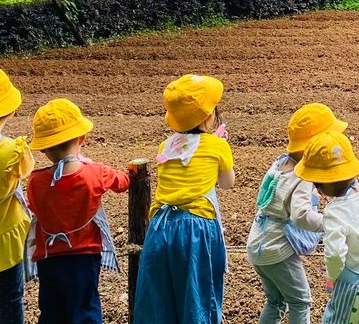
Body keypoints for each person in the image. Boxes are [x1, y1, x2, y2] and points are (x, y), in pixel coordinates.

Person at [134, 75, 235, 324]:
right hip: (196, 227)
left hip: (159, 226)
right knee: (198, 298)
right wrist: (219, 151)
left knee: (158, 302)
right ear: (209, 116)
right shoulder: (217, 146)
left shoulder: (165, 146)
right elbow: (227, 183)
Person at [25, 99, 130, 324]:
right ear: (82, 138)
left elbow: (33, 206)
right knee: (84, 308)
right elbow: (123, 183)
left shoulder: (35, 180)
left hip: (48, 257)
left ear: (43, 148)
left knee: (52, 311)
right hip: (84, 255)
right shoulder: (96, 172)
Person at [247, 103, 346, 324]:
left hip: (258, 244)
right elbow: (300, 216)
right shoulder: (302, 175)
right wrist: (332, 222)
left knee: (275, 301)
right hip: (276, 250)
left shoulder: (280, 163)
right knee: (301, 302)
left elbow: (281, 198)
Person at [294, 131, 359, 324]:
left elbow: (335, 254)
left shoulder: (335, 212)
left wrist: (334, 277)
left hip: (356, 288)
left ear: (323, 184)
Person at [0, 71, 33, 324]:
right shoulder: (12, 151)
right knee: (11, 300)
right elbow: (26, 170)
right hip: (5, 245)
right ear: (9, 112)